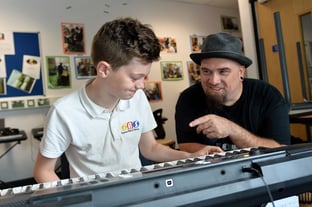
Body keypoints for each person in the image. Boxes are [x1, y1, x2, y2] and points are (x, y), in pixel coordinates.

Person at [34, 17, 222, 183]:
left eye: (144, 77)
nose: (141, 85)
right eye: (134, 77)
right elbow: (43, 171)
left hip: (138, 193)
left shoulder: (137, 97)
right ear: (104, 70)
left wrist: (189, 156)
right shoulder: (64, 112)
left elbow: (150, 148)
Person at [175, 32, 291, 153]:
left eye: (223, 71)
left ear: (241, 72)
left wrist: (232, 129)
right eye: (206, 71)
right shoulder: (188, 98)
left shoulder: (267, 95)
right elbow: (186, 145)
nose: (213, 81)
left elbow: (281, 151)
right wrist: (216, 156)